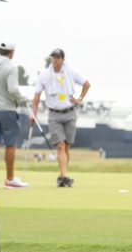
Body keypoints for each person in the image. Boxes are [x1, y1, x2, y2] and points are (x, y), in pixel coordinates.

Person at [30, 48, 90, 187]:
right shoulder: (44, 75)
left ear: (63, 59)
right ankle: (64, 176)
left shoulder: (71, 73)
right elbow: (37, 95)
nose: (55, 60)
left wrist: (80, 98)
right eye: (53, 57)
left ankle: (63, 175)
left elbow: (87, 84)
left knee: (67, 146)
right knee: (60, 146)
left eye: (57, 58)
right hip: (54, 115)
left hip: (70, 113)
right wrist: (34, 112)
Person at [0, 42, 29, 189]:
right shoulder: (11, 67)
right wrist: (22, 99)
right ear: (11, 52)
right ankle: (9, 179)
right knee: (10, 143)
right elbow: (13, 89)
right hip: (7, 109)